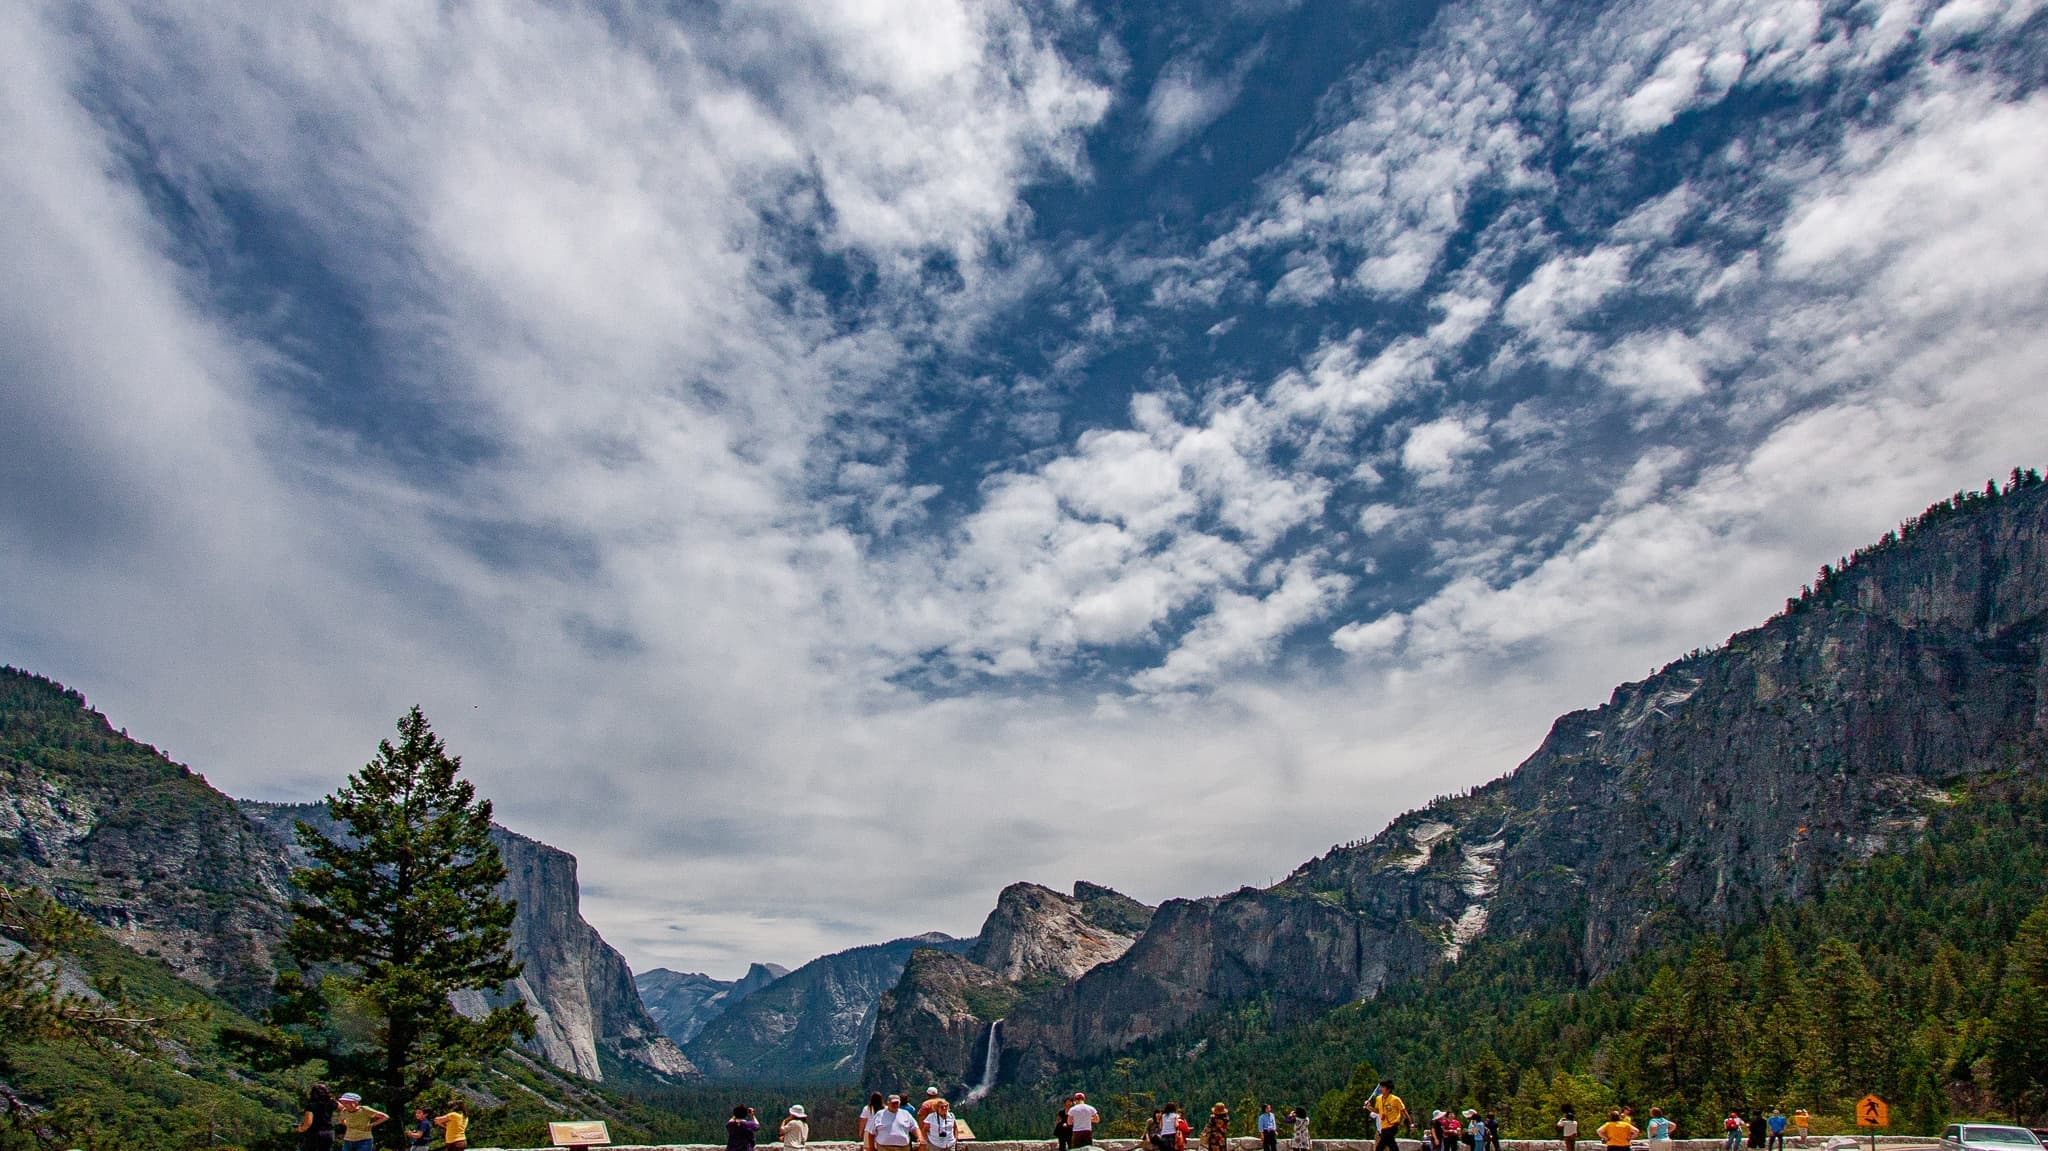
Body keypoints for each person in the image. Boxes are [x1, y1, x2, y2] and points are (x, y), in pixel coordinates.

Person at [297, 1083, 337, 1151]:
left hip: (315, 1133)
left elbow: (308, 1123)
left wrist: (300, 1129)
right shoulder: (331, 1103)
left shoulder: (311, 1106)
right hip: (329, 1132)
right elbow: (343, 1108)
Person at [1371, 1081, 1407, 1151]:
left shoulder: (1395, 1099)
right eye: (1380, 1087)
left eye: (1383, 1087)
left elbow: (1404, 1111)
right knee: (1391, 1145)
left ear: (1389, 1089)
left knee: (1381, 1146)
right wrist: (1369, 1107)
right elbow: (1377, 1111)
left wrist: (1409, 1123)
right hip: (1383, 1126)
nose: (1380, 1089)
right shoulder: (1378, 1098)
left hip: (1393, 1125)